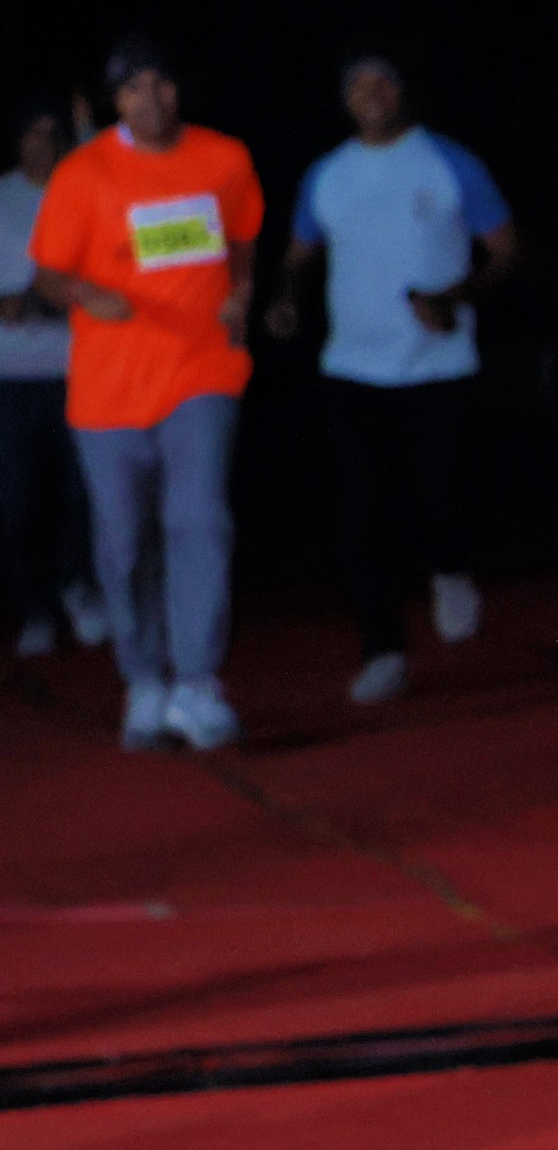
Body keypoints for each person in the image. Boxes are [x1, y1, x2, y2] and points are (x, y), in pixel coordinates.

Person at [29, 38, 262, 750]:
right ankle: (145, 680)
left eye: (162, 84)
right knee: (125, 541)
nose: (150, 99)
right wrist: (85, 292)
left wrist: (242, 290)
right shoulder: (84, 173)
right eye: (133, 89)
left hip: (201, 372)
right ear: (116, 101)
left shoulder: (224, 158)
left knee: (199, 520)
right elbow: (47, 275)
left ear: (179, 89)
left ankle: (197, 681)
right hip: (109, 393)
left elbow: (242, 237)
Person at [269, 54, 516, 705]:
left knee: (443, 497)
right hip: (352, 370)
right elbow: (299, 253)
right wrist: (288, 299)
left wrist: (455, 295)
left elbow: (505, 251)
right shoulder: (328, 174)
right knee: (364, 514)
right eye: (358, 83)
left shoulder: (449, 162)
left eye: (383, 81)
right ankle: (383, 650)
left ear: (403, 90)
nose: (372, 93)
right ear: (344, 97)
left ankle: (450, 567)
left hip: (438, 366)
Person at [0, 99, 106, 656]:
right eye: (31, 133)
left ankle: (77, 588)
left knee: (82, 494)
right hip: (13, 376)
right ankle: (35, 609)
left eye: (51, 132)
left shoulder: (82, 190)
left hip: (80, 369)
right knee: (18, 502)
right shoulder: (2, 197)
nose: (42, 143)